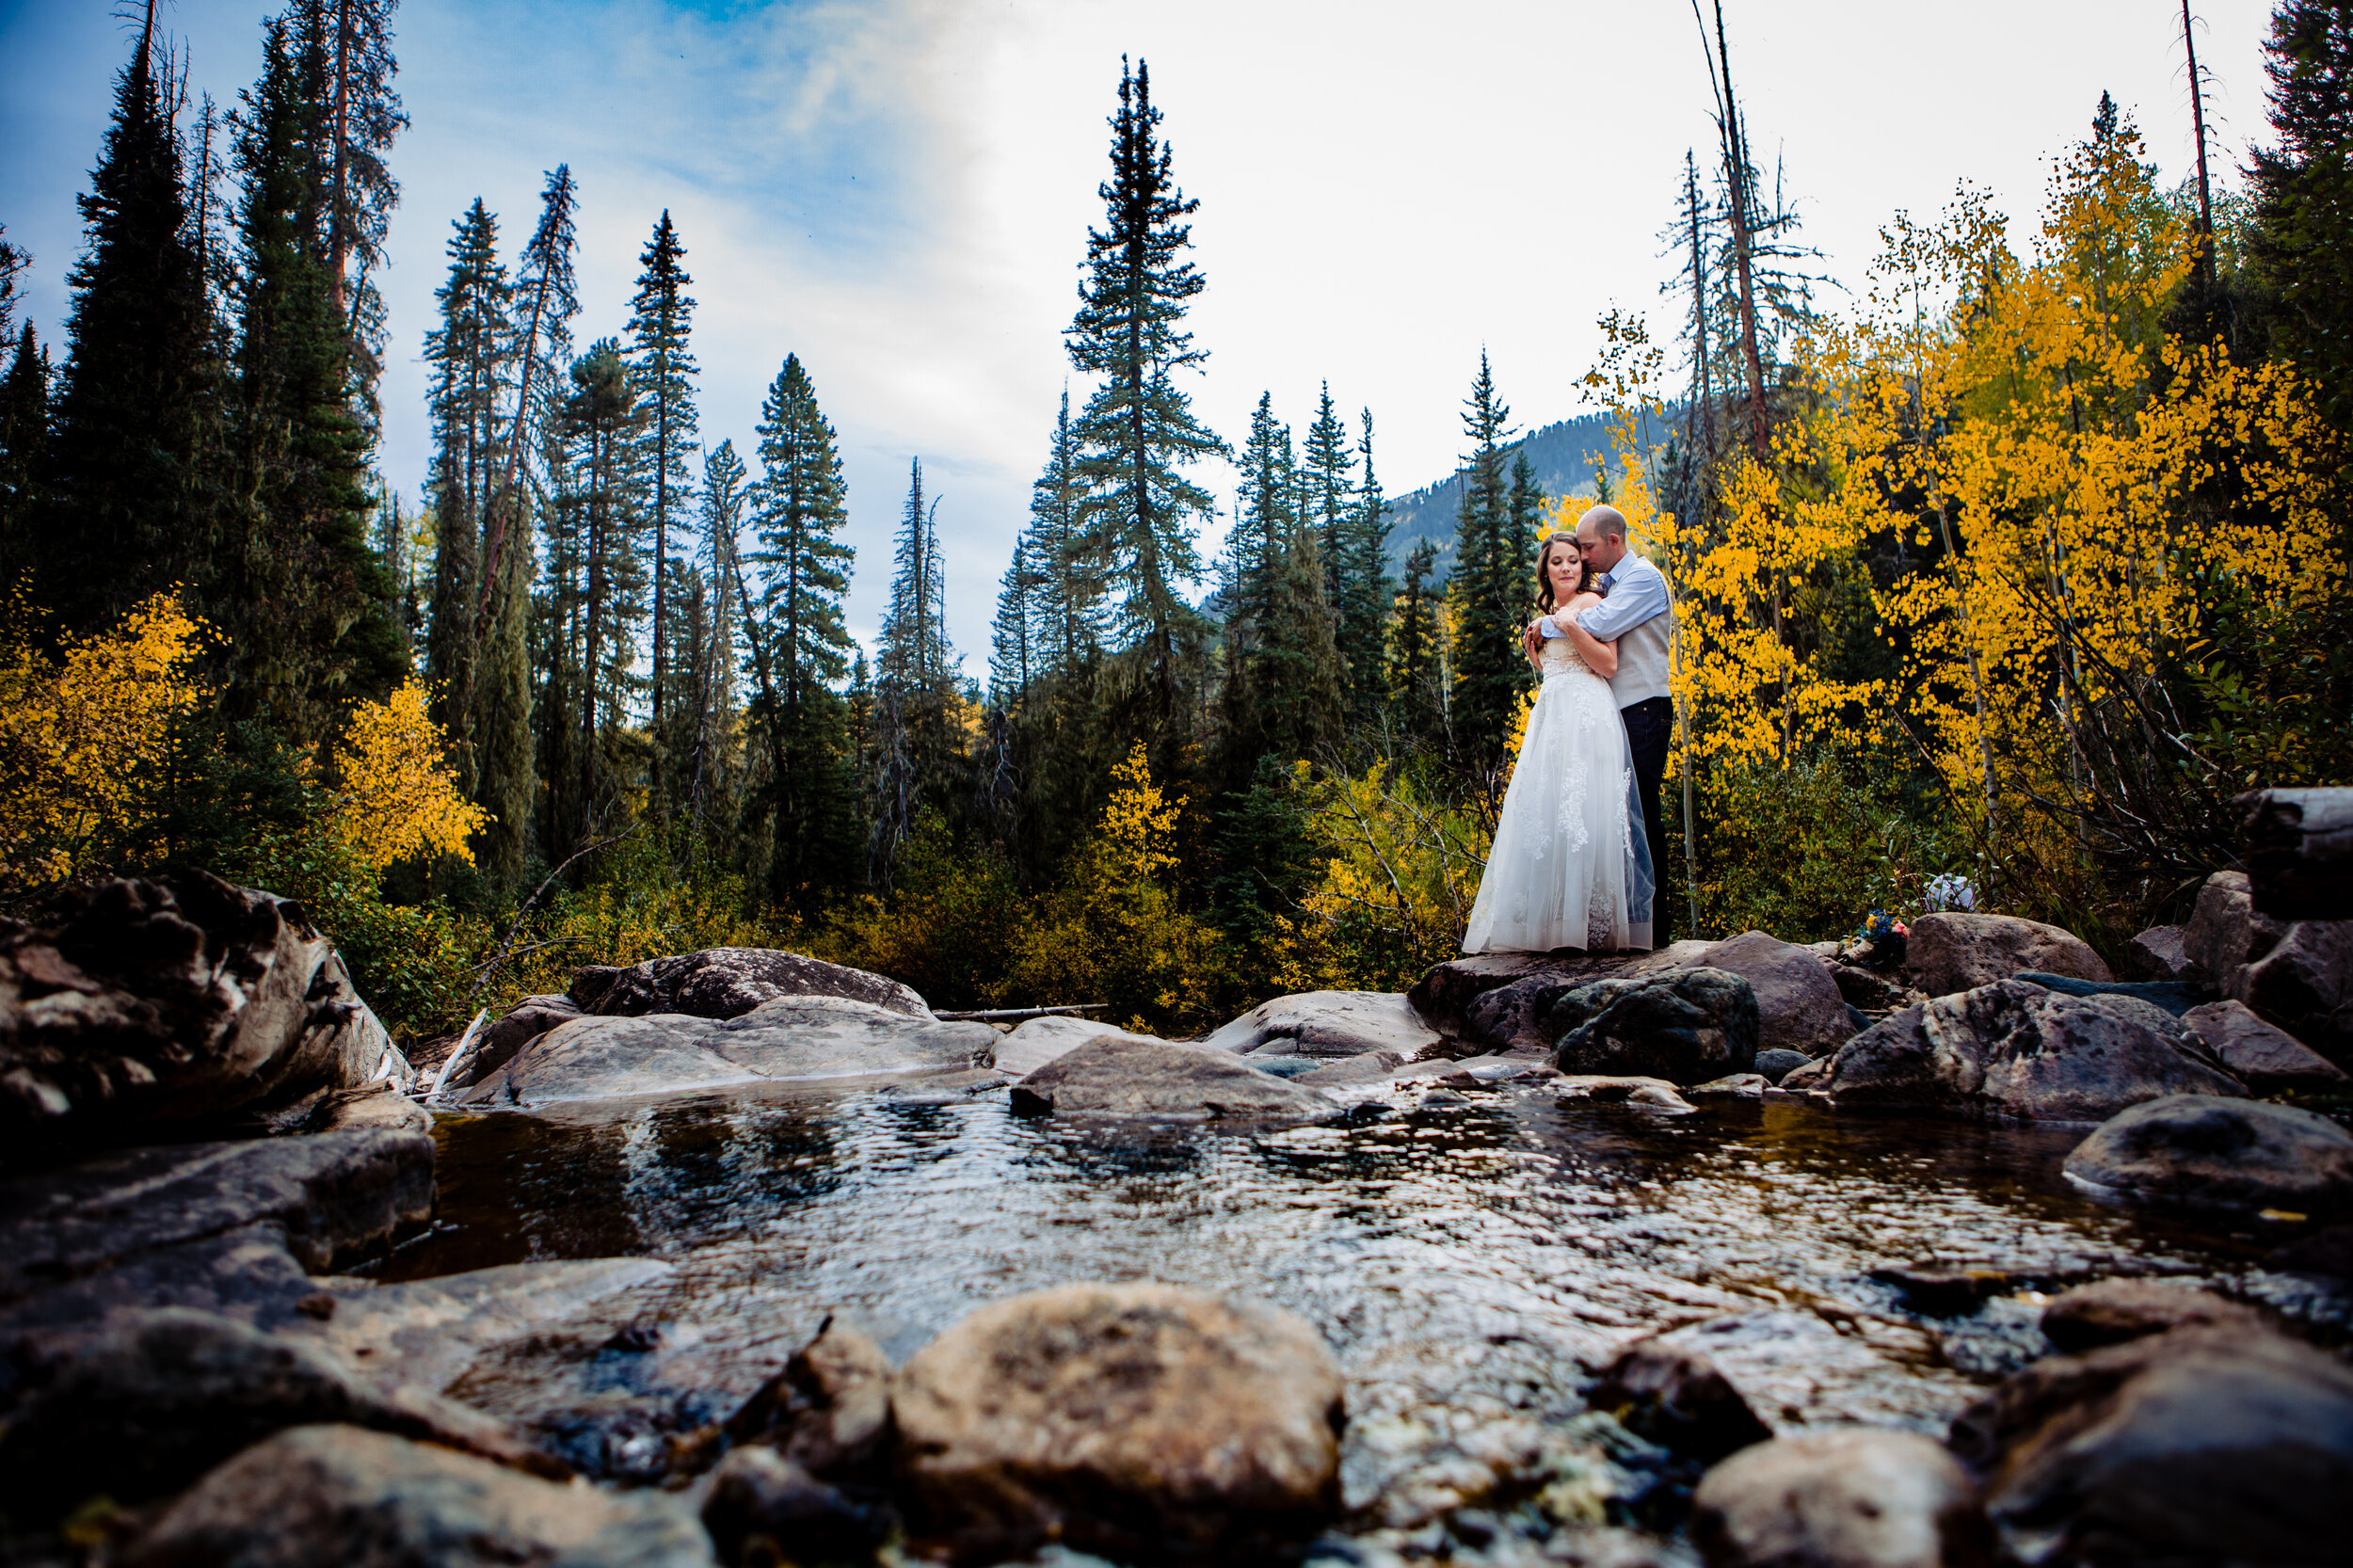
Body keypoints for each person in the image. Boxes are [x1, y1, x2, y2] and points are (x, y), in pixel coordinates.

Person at [1461, 532, 1655, 953]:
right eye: (1558, 562)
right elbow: (1553, 667)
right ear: (1545, 571)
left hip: (1586, 714)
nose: (1567, 567)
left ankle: (1585, 927)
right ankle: (1549, 925)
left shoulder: (1591, 604)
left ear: (1583, 567)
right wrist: (1536, 654)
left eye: (1574, 560)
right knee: (1545, 811)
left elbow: (1607, 663)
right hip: (1551, 715)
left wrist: (1568, 626)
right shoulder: (1549, 611)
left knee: (1583, 812)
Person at [1559, 504, 1676, 947]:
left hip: (1644, 709)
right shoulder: (1613, 583)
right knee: (1622, 817)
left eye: (1587, 547)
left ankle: (1656, 929)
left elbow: (1601, 622)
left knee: (1643, 815)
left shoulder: (1643, 578)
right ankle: (1631, 923)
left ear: (1613, 541)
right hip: (1623, 712)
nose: (1582, 556)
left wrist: (1555, 622)